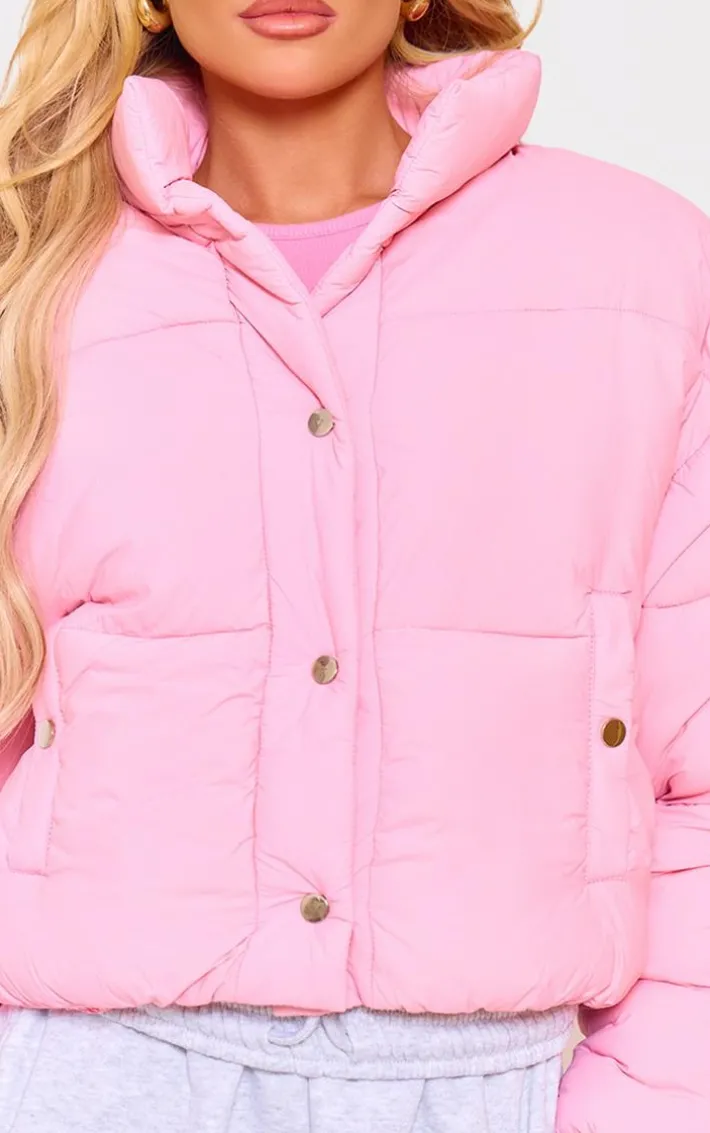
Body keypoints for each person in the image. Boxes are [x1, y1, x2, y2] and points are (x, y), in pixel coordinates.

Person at [0, 0, 709, 1129]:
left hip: (499, 1084)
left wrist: (649, 1106)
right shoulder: (32, 272)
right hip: (91, 1077)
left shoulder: (644, 268)